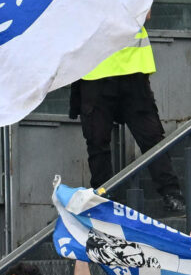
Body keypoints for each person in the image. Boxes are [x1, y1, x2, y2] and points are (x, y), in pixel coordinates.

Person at [71, 26, 184, 211]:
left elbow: (145, 12)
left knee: (151, 136)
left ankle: (171, 192)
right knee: (96, 139)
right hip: (95, 71)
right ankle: (103, 197)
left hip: (132, 70)